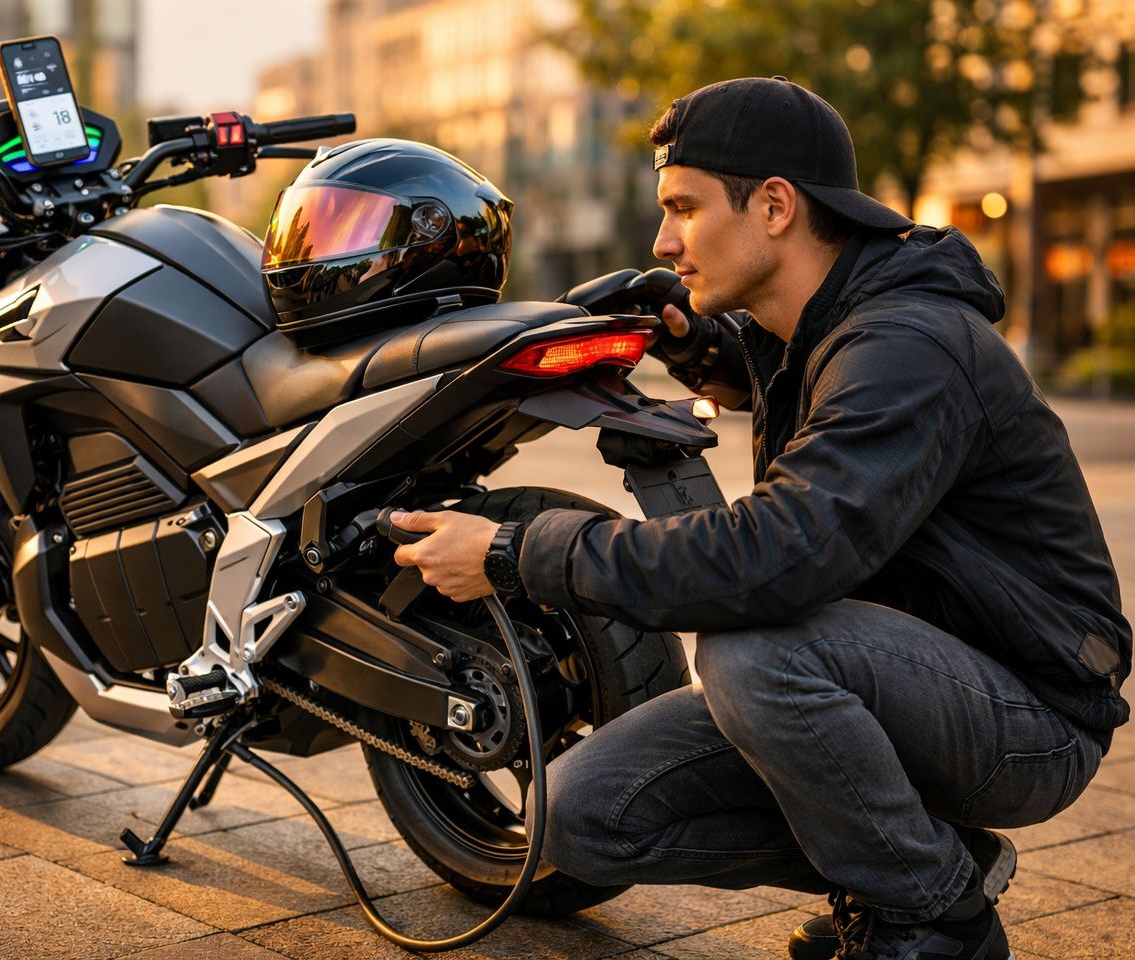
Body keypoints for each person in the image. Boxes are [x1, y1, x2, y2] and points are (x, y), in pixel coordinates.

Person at [387, 76, 1129, 960]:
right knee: (580, 821)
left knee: (755, 648)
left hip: (1029, 715)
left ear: (775, 206)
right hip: (892, 676)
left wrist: (517, 553)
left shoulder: (909, 347)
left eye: (684, 209)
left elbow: (777, 559)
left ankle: (937, 921)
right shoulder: (821, 327)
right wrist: (698, 347)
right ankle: (928, 863)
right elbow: (794, 379)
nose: (663, 239)